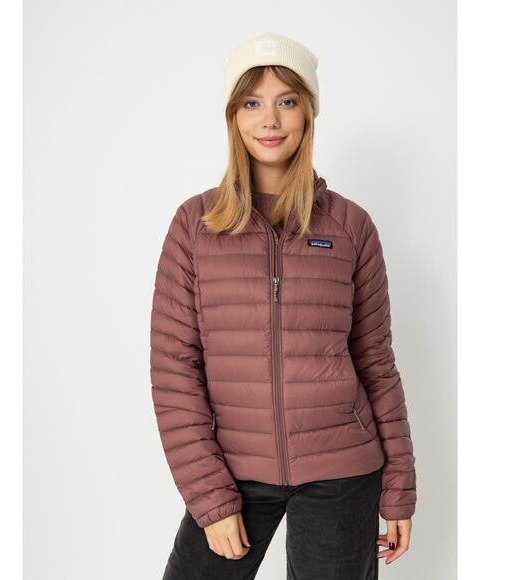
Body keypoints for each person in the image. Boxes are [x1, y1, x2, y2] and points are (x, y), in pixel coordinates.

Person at [149, 31, 417, 579]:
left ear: (308, 113)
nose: (269, 120)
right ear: (233, 116)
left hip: (344, 470)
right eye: (252, 103)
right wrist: (211, 497)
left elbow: (375, 362)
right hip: (233, 467)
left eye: (287, 101)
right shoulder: (196, 225)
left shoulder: (350, 226)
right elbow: (174, 369)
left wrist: (399, 487)